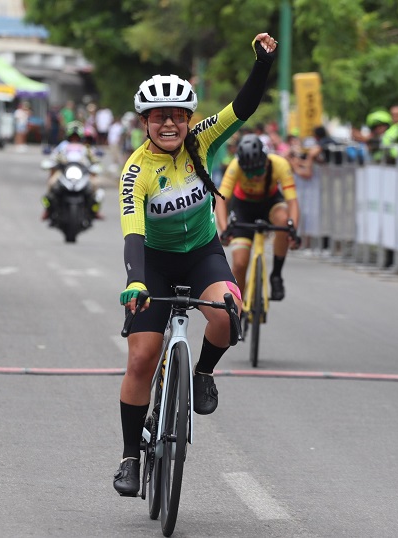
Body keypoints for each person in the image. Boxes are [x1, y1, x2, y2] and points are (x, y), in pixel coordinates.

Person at [114, 32, 277, 497]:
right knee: (142, 357)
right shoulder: (136, 171)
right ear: (145, 122)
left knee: (227, 312)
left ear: (189, 119)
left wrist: (262, 64)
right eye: (159, 117)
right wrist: (136, 282)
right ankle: (129, 456)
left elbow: (242, 108)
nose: (169, 123)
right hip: (155, 264)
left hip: (203, 255)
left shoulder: (202, 141)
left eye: (177, 116)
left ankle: (202, 372)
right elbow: (132, 235)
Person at [215, 133, 300, 302]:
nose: (255, 176)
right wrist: (224, 229)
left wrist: (293, 231)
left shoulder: (280, 164)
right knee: (239, 263)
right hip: (243, 208)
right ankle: (237, 309)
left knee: (283, 220)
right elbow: (221, 199)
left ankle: (276, 275)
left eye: (259, 170)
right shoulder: (235, 165)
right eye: (249, 173)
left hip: (270, 203)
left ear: (266, 160)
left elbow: (292, 202)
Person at [41, 121, 102, 221]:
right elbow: (53, 156)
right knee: (51, 183)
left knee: (95, 184)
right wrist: (51, 162)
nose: (74, 139)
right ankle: (47, 209)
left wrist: (96, 164)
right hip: (64, 171)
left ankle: (95, 209)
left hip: (82, 173)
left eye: (76, 137)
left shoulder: (86, 148)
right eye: (72, 137)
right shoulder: (62, 146)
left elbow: (94, 159)